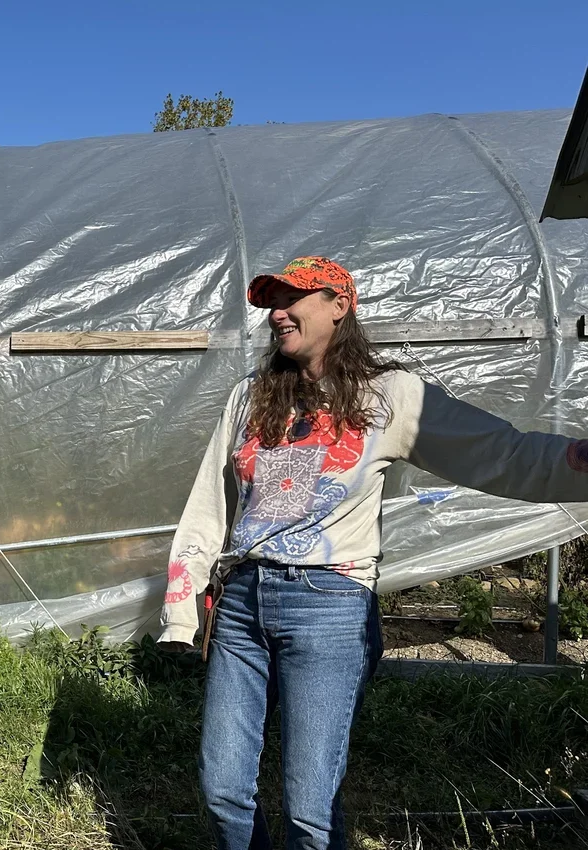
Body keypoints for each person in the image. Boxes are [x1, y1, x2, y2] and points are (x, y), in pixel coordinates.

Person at [158, 256, 588, 849]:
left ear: (340, 305)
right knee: (223, 792)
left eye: (293, 297)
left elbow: (501, 454)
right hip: (242, 604)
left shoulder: (389, 395)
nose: (278, 312)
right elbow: (209, 503)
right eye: (272, 302)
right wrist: (182, 607)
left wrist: (579, 461)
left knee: (309, 809)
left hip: (328, 605)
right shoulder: (251, 397)